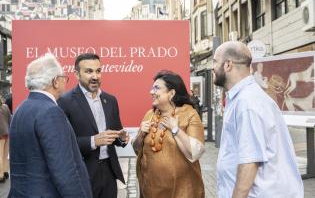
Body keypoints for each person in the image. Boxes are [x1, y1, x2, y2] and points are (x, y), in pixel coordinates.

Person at [211, 41, 304, 198]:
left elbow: (249, 162)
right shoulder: (243, 98)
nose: (212, 67)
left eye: (215, 61)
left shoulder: (247, 103)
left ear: (228, 65)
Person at [9, 53, 92, 198]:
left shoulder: (20, 109)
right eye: (63, 78)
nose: (65, 83)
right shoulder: (50, 112)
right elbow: (64, 170)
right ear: (55, 81)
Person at [58, 53, 129, 198]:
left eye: (98, 71)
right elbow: (62, 143)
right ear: (77, 74)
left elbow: (115, 134)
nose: (95, 76)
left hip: (109, 172)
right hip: (82, 173)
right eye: (89, 71)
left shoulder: (110, 100)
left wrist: (121, 138)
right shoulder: (65, 102)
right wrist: (93, 141)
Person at [132, 70, 205, 198]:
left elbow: (196, 152)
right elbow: (137, 150)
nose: (151, 92)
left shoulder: (189, 114)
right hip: (150, 190)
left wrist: (176, 130)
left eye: (156, 88)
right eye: (152, 88)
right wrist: (141, 135)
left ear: (171, 93)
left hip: (182, 191)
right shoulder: (150, 115)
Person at [0, 94, 10, 183]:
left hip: (0, 134)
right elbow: (9, 119)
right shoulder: (5, 107)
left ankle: (1, 175)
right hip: (7, 132)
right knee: (4, 154)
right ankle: (6, 172)